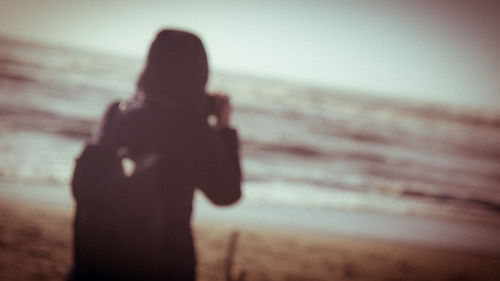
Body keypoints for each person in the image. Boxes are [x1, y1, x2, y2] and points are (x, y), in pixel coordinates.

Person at [67, 29, 242, 281]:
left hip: (96, 262)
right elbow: (227, 194)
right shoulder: (195, 131)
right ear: (200, 73)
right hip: (164, 266)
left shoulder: (117, 113)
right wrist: (223, 128)